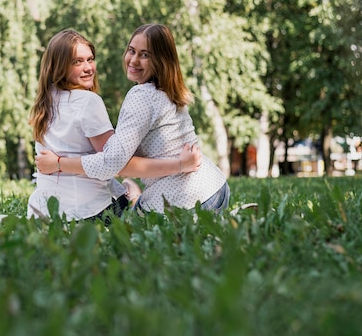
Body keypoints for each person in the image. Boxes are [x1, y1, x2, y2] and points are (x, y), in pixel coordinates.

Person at [36, 24, 230, 215]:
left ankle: (136, 195)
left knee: (130, 231)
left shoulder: (141, 96)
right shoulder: (169, 90)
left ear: (161, 61)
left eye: (145, 55)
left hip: (185, 199)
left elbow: (113, 163)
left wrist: (59, 163)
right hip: (215, 187)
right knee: (134, 210)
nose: (134, 60)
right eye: (132, 51)